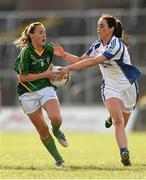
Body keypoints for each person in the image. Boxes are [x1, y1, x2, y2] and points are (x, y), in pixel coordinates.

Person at [53, 14, 141, 166]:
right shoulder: (97, 45)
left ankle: (110, 115)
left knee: (121, 122)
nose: (98, 28)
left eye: (102, 26)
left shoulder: (116, 45)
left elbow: (93, 62)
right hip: (110, 87)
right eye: (98, 25)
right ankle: (124, 152)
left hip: (128, 87)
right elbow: (82, 60)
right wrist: (64, 55)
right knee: (118, 121)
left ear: (111, 29)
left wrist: (67, 69)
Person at [13, 22, 69, 167]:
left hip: (45, 88)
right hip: (27, 93)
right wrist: (47, 73)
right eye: (40, 32)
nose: (44, 35)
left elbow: (51, 67)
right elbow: (23, 78)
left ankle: (57, 132)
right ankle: (59, 160)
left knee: (56, 118)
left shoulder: (48, 49)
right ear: (31, 35)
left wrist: (62, 76)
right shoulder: (26, 52)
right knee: (43, 129)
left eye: (44, 32)